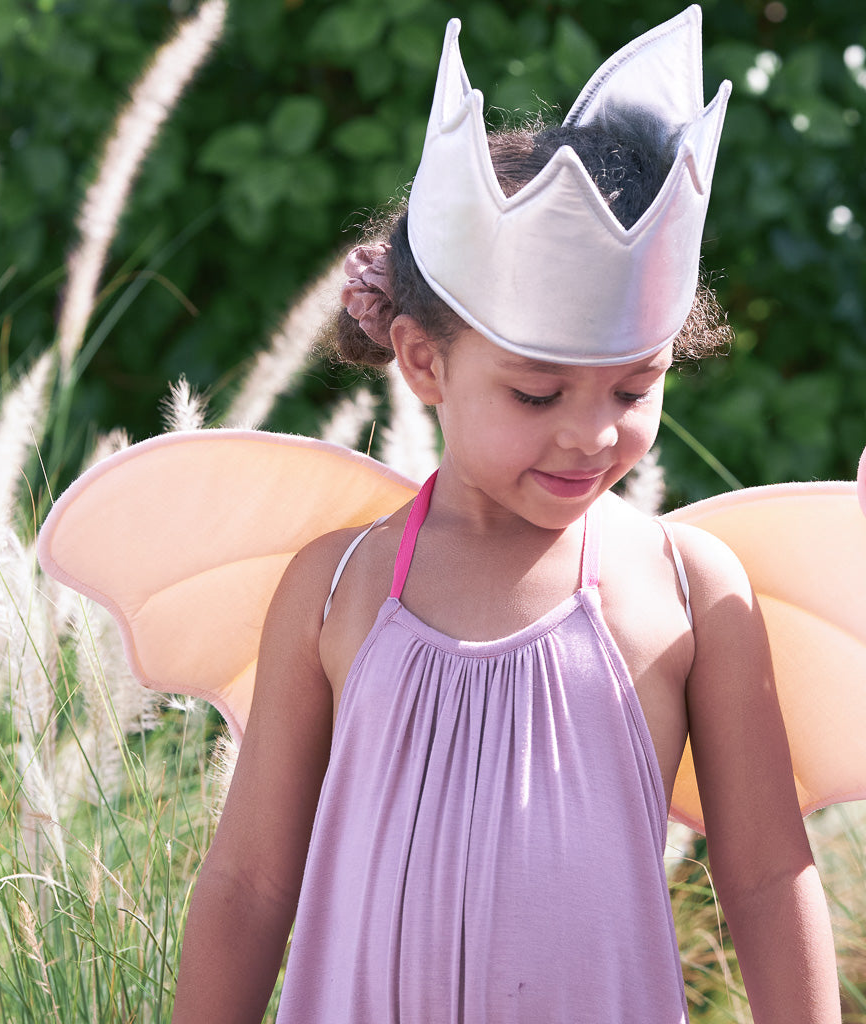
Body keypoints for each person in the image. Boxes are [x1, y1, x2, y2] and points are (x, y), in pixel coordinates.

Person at [172, 9, 840, 1022]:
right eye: (537, 396)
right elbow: (252, 881)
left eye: (631, 390)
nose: (589, 435)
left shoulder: (690, 589)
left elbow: (761, 875)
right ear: (424, 361)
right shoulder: (336, 584)